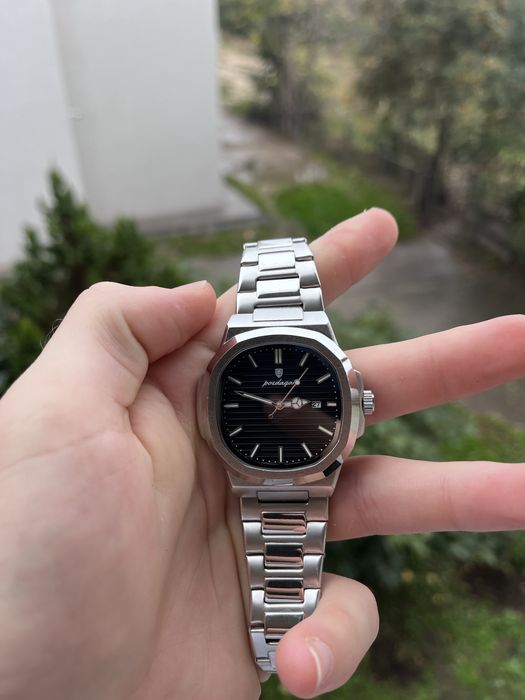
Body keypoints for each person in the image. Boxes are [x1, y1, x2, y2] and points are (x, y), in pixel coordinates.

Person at [1, 208, 524, 700]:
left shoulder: (309, 392)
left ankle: (272, 639)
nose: (275, 406)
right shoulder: (230, 405)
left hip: (292, 466)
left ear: (356, 405)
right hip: (249, 469)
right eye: (264, 402)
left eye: (285, 401)